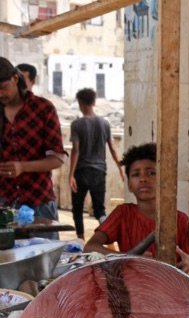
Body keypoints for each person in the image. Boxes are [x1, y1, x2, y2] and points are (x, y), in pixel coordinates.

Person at [84, 142, 189, 276]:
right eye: (136, 174)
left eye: (151, 173)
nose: (143, 179)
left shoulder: (180, 219)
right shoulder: (123, 213)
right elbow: (90, 247)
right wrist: (127, 258)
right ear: (129, 185)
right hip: (131, 288)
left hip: (167, 291)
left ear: (164, 180)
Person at [0, 57, 66, 231]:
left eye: (2, 87)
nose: (0, 94)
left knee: (46, 257)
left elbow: (58, 159)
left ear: (15, 78)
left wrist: (23, 167)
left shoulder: (43, 109)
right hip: (3, 206)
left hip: (39, 203)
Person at [69, 87, 124, 239]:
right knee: (100, 209)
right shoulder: (104, 123)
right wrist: (120, 168)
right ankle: (107, 238)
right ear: (93, 102)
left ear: (80, 103)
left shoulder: (77, 124)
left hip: (81, 172)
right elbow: (112, 148)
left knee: (77, 208)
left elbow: (75, 150)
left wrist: (71, 175)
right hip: (99, 172)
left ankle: (80, 240)